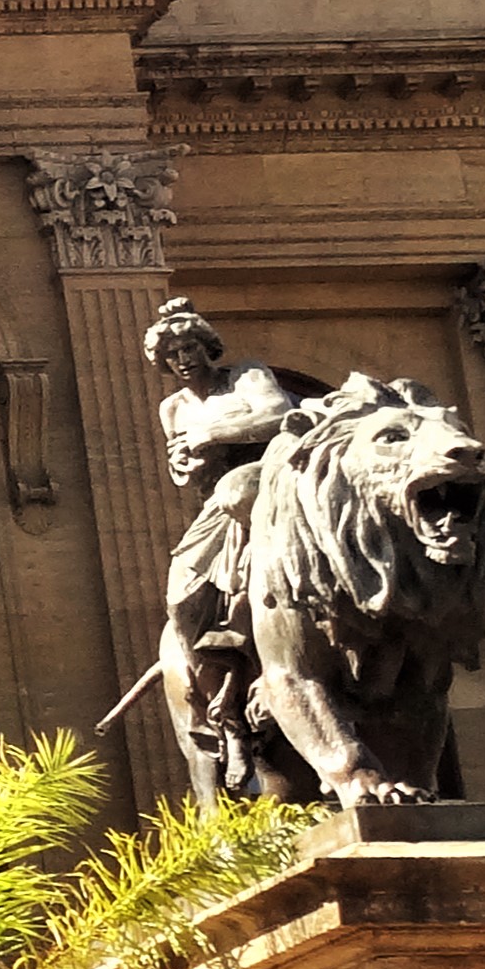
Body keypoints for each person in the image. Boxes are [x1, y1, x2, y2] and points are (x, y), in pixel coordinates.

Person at [144, 295, 311, 795]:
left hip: (272, 483)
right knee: (181, 596)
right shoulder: (173, 407)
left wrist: (210, 435)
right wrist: (186, 461)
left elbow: (277, 415)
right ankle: (225, 717)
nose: (183, 359)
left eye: (190, 347)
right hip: (217, 502)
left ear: (207, 347)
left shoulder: (246, 375)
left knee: (242, 495)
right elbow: (184, 472)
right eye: (172, 353)